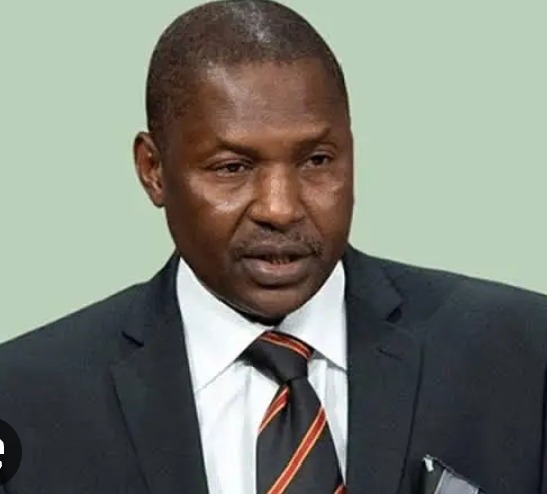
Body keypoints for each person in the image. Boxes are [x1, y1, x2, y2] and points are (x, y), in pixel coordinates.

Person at [0, 1, 546, 493]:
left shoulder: (524, 355)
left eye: (317, 161)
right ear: (153, 170)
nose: (280, 208)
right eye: (232, 168)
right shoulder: (25, 397)